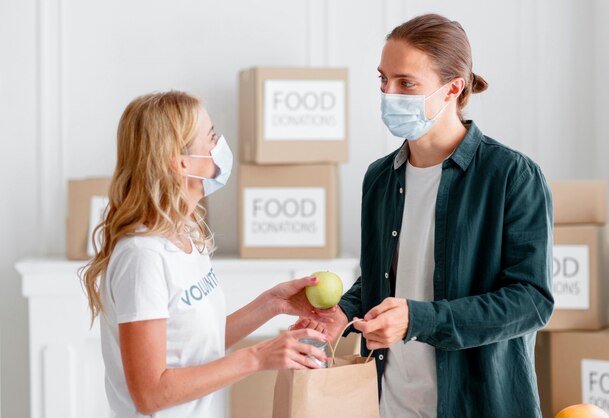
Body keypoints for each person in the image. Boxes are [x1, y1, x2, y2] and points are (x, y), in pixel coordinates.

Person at [294, 13, 553, 418]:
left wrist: (420, 319)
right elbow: (384, 277)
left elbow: (532, 301)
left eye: (406, 83)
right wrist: (343, 311)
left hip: (479, 404)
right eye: (383, 79)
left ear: (453, 88)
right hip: (389, 401)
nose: (388, 93)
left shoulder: (511, 176)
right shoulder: (379, 178)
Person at [81, 91, 333, 417]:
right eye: (211, 137)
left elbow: (197, 346)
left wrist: (274, 303)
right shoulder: (142, 258)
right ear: (180, 161)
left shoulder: (184, 233)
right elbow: (150, 393)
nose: (219, 146)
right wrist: (257, 357)